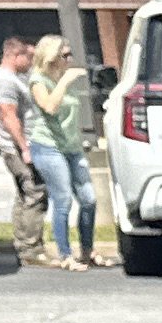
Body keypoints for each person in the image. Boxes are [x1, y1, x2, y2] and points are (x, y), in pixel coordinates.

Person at [25, 36, 110, 270]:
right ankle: (65, 255)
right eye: (65, 55)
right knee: (62, 199)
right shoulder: (38, 80)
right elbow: (50, 107)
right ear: (51, 57)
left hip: (72, 148)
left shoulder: (63, 77)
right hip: (49, 147)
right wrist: (64, 83)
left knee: (89, 199)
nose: (69, 59)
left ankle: (87, 250)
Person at [0, 36, 52, 262]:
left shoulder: (13, 78)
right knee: (35, 192)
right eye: (28, 57)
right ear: (16, 56)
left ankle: (23, 244)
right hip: (17, 147)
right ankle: (31, 249)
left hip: (20, 145)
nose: (31, 61)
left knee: (25, 194)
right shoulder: (6, 81)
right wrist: (24, 146)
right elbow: (8, 115)